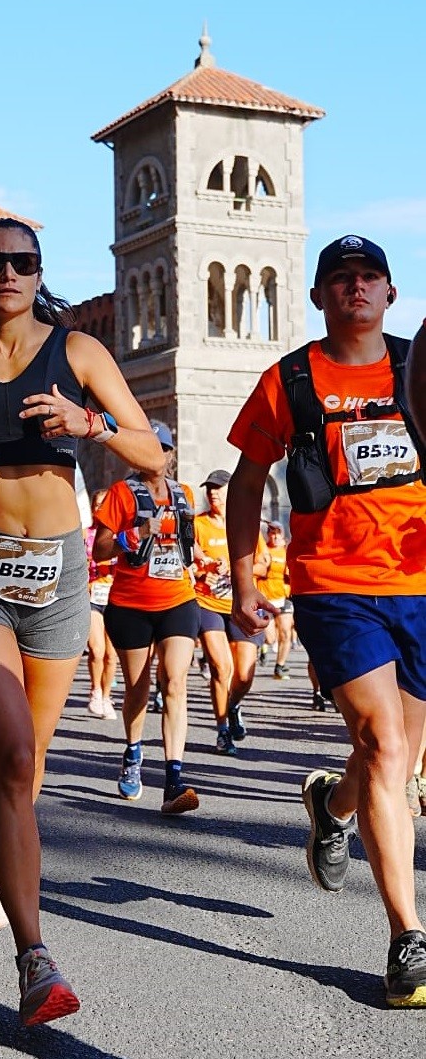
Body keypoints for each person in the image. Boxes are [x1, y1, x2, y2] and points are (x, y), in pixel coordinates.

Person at [0, 216, 163, 1026]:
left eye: (22, 262)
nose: (8, 273)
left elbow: (151, 452)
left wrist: (91, 425)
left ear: (35, 271)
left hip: (58, 576)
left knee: (28, 767)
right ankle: (34, 959)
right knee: (11, 751)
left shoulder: (77, 354)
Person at [227, 233, 426, 1008]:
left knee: (400, 756)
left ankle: (330, 807)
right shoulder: (290, 380)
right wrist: (244, 577)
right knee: (380, 742)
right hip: (333, 585)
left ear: (388, 293)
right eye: (338, 278)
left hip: (420, 586)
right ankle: (406, 936)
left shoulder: (417, 368)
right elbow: (248, 479)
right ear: (317, 297)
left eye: (367, 275)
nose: (354, 287)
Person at [93, 420, 200, 813]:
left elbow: (190, 545)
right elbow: (100, 551)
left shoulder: (183, 494)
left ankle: (174, 779)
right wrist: (135, 531)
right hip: (132, 604)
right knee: (137, 688)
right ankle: (134, 753)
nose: (160, 454)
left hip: (178, 599)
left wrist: (199, 556)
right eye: (152, 447)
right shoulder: (122, 494)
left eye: (165, 448)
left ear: (171, 455)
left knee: (174, 679)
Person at [192, 469, 268, 755]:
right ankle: (223, 729)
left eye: (218, 488)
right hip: (208, 603)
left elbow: (263, 565)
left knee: (245, 674)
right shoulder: (198, 524)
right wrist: (204, 573)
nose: (213, 493)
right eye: (209, 488)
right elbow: (190, 563)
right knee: (221, 668)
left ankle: (234, 705)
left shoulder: (245, 523)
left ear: (229, 491)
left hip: (241, 605)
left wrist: (238, 571)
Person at [84, 488, 117, 720]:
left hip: (115, 597)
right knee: (97, 649)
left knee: (111, 655)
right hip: (92, 596)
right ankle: (95, 691)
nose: (100, 509)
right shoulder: (85, 534)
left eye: (104, 505)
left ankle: (106, 696)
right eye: (97, 505)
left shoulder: (119, 536)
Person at [257, 521, 294, 681]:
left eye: (278, 533)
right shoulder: (263, 551)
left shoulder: (287, 551)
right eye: (272, 533)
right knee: (271, 637)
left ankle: (280, 666)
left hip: (283, 596)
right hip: (266, 597)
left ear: (283, 535)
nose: (275, 536)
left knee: (285, 633)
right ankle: (264, 647)